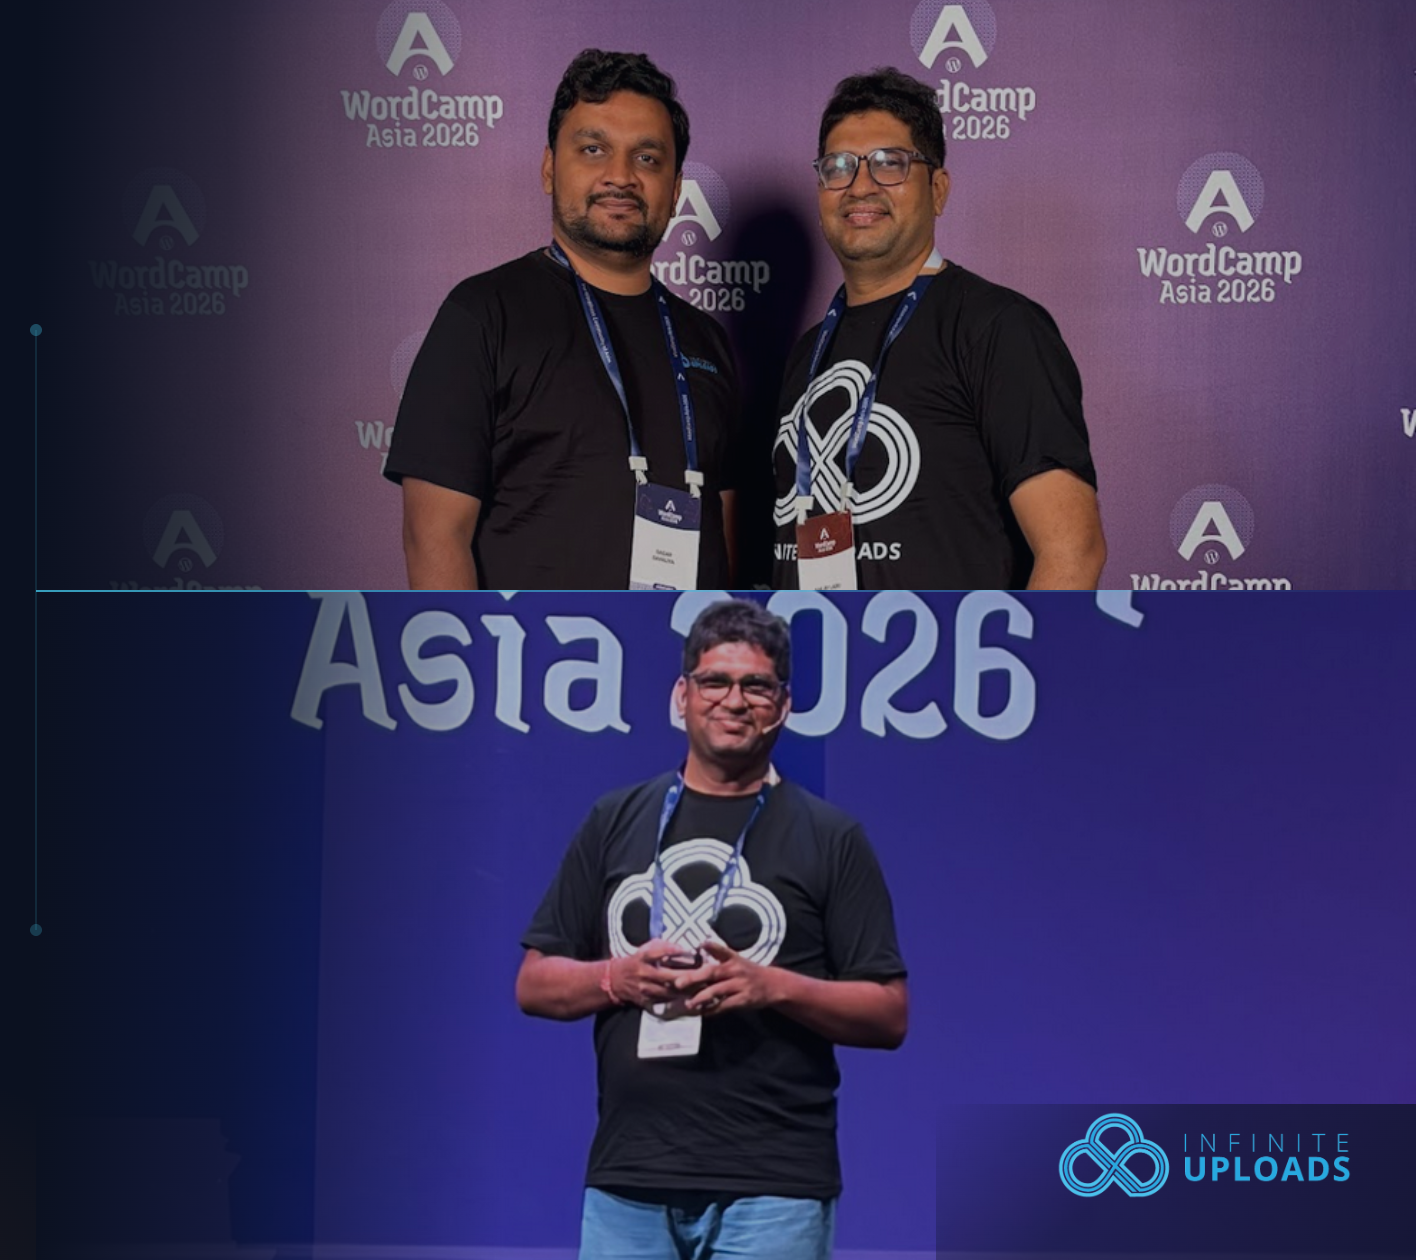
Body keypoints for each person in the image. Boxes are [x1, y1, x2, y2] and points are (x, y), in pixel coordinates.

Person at [515, 599, 907, 1259]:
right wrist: (616, 977)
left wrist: (771, 986)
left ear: (782, 706)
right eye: (715, 682)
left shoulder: (832, 837)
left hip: (774, 1183)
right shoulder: (614, 819)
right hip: (629, 1178)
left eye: (756, 685)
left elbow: (888, 1013)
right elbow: (535, 982)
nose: (735, 700)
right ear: (681, 696)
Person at [387, 50, 743, 590]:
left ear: (675, 192)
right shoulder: (482, 314)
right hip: (535, 672)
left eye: (647, 158)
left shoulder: (707, 341)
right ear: (550, 168)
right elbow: (433, 539)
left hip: (684, 669)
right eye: (594, 149)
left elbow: (724, 535)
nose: (620, 176)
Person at [771, 67, 1106, 590]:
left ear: (939, 189)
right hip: (816, 665)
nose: (860, 186)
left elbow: (1072, 551)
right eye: (838, 167)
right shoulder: (809, 353)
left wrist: (1014, 671)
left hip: (952, 668)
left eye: (889, 164)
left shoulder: (998, 327)